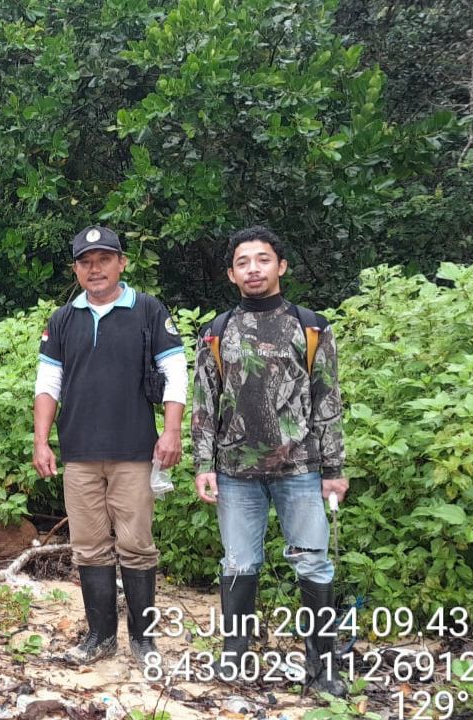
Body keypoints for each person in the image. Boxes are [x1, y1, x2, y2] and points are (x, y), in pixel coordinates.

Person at [191, 225, 348, 696]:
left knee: (314, 566)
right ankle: (235, 656)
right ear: (231, 274)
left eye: (262, 259)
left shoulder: (311, 327)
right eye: (243, 262)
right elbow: (204, 403)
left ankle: (321, 667)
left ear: (281, 266)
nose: (253, 269)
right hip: (235, 473)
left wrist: (334, 470)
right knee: (239, 562)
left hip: (300, 471)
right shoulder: (217, 332)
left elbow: (328, 400)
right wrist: (204, 465)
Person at [32, 225, 187, 665]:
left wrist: (171, 430)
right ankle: (100, 636)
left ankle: (144, 639)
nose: (94, 268)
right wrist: (41, 441)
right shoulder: (64, 319)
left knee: (137, 544)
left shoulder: (148, 311)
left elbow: (175, 371)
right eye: (85, 261)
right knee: (89, 545)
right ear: (76, 269)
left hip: (135, 451)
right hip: (79, 454)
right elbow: (49, 382)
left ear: (122, 262)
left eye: (103, 259)